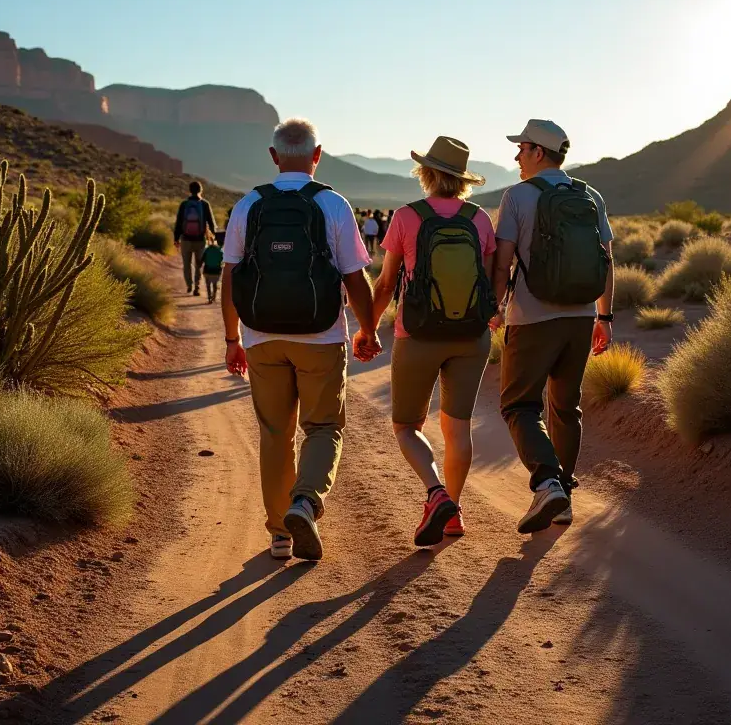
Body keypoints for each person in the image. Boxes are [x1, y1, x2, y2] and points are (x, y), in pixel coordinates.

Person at [221, 118, 381, 562]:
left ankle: (279, 535)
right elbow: (354, 275)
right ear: (317, 154)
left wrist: (232, 337)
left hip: (261, 337)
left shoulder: (249, 204)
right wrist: (368, 329)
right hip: (320, 336)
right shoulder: (333, 204)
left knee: (275, 433)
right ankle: (304, 502)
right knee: (323, 426)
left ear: (274, 157)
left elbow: (231, 275)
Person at [369, 137, 496, 545]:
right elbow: (491, 281)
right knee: (458, 427)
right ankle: (454, 513)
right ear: (462, 180)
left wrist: (367, 328)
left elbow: (386, 282)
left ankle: (435, 492)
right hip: (471, 337)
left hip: (418, 335)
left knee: (407, 425)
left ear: (426, 172)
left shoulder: (407, 217)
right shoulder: (480, 219)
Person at [491, 119, 614, 534]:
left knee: (518, 405)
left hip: (531, 318)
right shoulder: (591, 195)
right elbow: (606, 260)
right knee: (565, 406)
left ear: (538, 152)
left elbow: (503, 260)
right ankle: (562, 500)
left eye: (522, 148)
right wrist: (605, 317)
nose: (517, 156)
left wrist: (494, 306)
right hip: (580, 318)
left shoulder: (517, 196)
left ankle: (547, 483)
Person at [173, 181, 217, 296]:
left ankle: (189, 285)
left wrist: (176, 238)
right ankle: (197, 287)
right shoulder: (204, 204)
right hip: (200, 239)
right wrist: (214, 236)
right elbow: (211, 222)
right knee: (199, 264)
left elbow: (178, 223)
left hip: (186, 239)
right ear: (200, 190)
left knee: (186, 264)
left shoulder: (184, 204)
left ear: (190, 190)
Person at [201, 234, 224, 303]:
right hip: (216, 271)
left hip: (207, 270)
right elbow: (222, 260)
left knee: (208, 285)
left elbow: (202, 260)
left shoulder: (207, 250)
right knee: (215, 284)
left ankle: (209, 298)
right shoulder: (220, 251)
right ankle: (213, 297)